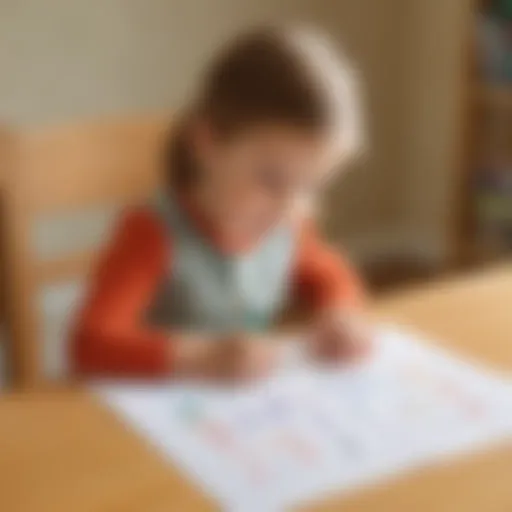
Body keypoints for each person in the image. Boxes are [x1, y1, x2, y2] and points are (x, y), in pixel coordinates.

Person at [71, 25, 371, 383]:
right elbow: (90, 343)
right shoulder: (152, 231)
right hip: (150, 411)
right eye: (272, 180)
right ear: (206, 142)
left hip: (234, 412)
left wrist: (339, 312)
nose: (291, 205)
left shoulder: (286, 224)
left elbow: (329, 274)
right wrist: (199, 356)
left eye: (312, 186)